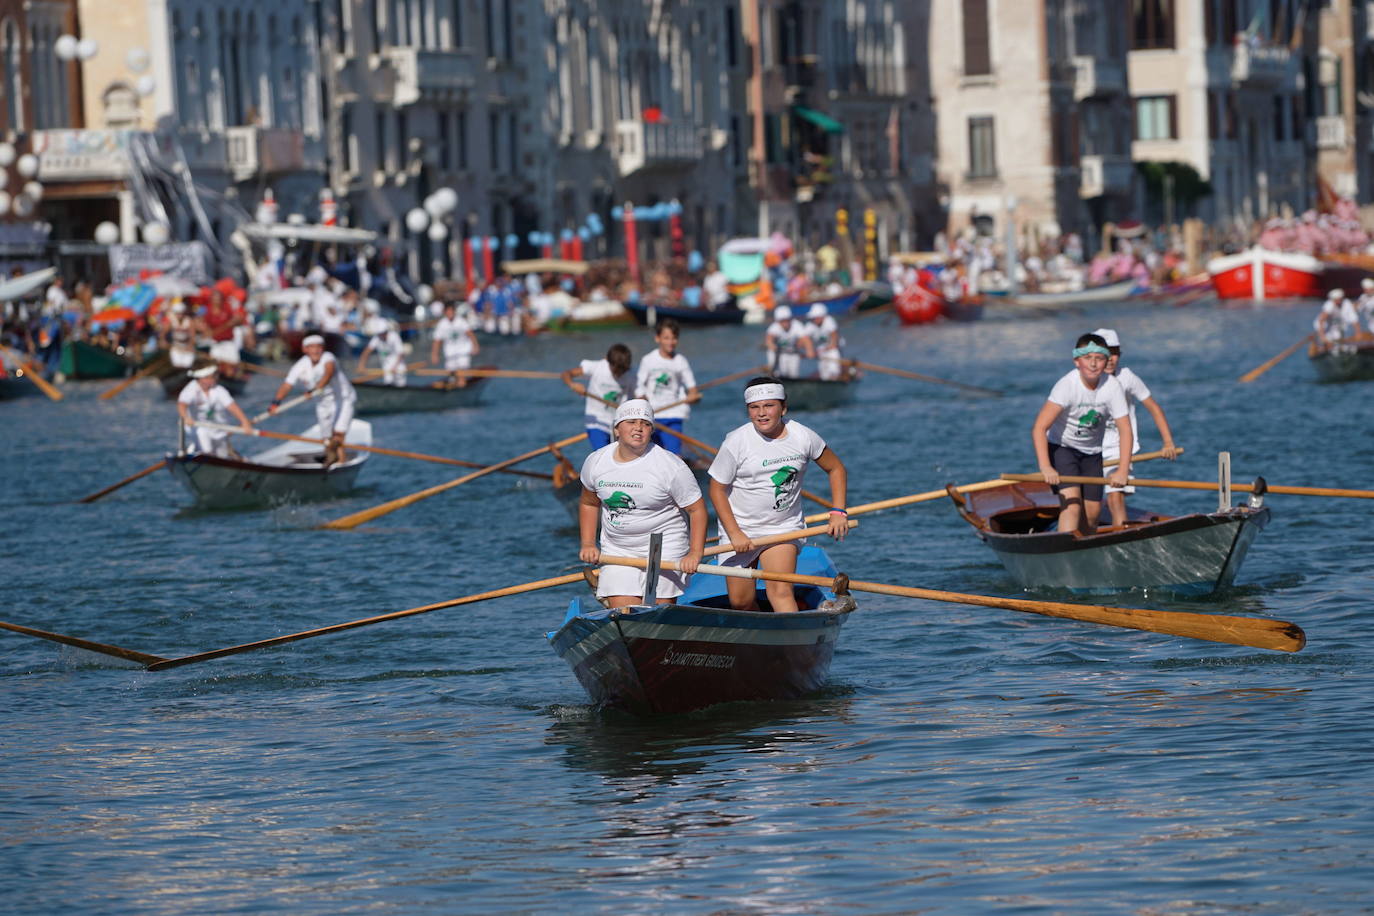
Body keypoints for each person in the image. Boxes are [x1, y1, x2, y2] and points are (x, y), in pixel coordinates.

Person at [708, 377, 848, 614]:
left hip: (783, 528)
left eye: (769, 406)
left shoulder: (803, 436)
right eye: (754, 407)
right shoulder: (736, 442)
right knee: (740, 603)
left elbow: (836, 469)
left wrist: (837, 511)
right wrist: (735, 533)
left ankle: (792, 643)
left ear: (783, 408)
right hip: (740, 529)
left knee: (780, 592)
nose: (762, 413)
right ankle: (756, 636)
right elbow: (716, 489)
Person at [578, 399, 707, 609]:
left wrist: (695, 553)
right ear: (617, 429)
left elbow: (697, 509)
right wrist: (588, 543)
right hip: (618, 549)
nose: (638, 428)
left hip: (662, 546)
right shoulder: (596, 461)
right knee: (626, 615)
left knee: (656, 613)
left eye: (645, 424)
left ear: (651, 431)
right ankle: (609, 594)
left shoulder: (670, 465)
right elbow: (589, 503)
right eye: (631, 422)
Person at [1031, 333, 1133, 536]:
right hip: (1063, 449)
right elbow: (1039, 428)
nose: (1094, 364)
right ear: (1076, 361)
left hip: (1093, 454)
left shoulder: (1112, 387)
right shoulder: (1066, 386)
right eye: (1088, 358)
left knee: (1094, 513)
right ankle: (1062, 553)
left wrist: (1122, 470)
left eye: (1099, 358)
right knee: (1073, 506)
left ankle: (1085, 551)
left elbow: (1125, 430)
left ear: (1107, 362)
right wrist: (1046, 467)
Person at [1090, 328, 1180, 528]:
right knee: (1091, 507)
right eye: (1105, 352)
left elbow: (1153, 407)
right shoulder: (1084, 379)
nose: (1111, 358)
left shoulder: (1127, 377)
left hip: (1119, 449)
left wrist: (1168, 442)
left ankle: (1119, 539)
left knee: (1115, 498)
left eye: (1114, 352)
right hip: (1089, 449)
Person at [270, 334, 357, 467]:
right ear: (305, 349)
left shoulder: (328, 358)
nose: (315, 350)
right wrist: (276, 403)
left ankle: (340, 463)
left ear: (323, 348)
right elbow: (287, 385)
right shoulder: (301, 365)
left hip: (343, 400)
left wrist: (315, 389)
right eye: (311, 347)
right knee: (326, 439)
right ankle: (331, 460)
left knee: (338, 435)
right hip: (322, 403)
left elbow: (328, 373)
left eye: (318, 347)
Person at [635, 318, 699, 455]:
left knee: (673, 456)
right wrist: (642, 399)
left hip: (673, 415)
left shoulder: (680, 361)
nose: (670, 342)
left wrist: (693, 396)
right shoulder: (648, 360)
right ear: (657, 338)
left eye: (674, 338)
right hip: (652, 417)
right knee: (650, 456)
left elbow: (693, 389)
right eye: (666, 338)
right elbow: (638, 386)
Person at [562, 342, 636, 449]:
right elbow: (566, 374)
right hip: (596, 421)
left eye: (622, 372)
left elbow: (638, 397)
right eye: (616, 371)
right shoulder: (597, 367)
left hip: (618, 424)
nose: (618, 375)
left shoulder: (631, 374)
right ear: (607, 361)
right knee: (602, 454)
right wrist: (573, 384)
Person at [177, 365, 253, 459]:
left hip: (219, 429)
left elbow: (232, 407)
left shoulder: (219, 390)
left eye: (213, 377)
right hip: (199, 427)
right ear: (200, 379)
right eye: (208, 378)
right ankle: (205, 458)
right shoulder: (191, 389)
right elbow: (182, 405)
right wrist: (186, 418)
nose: (212, 380)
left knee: (222, 456)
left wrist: (244, 422)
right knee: (206, 447)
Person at [430, 301, 480, 387]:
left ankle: (462, 385)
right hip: (450, 354)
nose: (450, 313)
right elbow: (437, 341)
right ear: (445, 312)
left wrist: (475, 346)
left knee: (461, 376)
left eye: (451, 311)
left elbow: (470, 334)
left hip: (462, 352)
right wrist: (434, 355)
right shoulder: (442, 324)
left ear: (454, 311)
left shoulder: (461, 321)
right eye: (448, 311)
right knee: (451, 377)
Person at [765, 305, 815, 378]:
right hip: (778, 353)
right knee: (780, 373)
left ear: (790, 319)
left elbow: (806, 339)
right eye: (782, 321)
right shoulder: (774, 327)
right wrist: (772, 346)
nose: (785, 323)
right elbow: (769, 340)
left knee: (794, 375)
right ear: (778, 321)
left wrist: (810, 351)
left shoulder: (797, 325)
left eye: (787, 320)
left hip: (793, 352)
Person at [358, 318, 408, 386]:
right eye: (379, 334)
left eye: (382, 333)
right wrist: (361, 365)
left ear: (386, 331)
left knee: (400, 385)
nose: (381, 335)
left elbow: (401, 353)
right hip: (386, 368)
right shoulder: (377, 338)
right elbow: (367, 351)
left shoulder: (394, 336)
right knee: (388, 385)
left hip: (398, 367)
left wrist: (395, 367)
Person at [805, 303, 844, 380]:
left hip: (834, 348)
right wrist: (809, 350)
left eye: (815, 317)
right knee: (824, 373)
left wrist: (827, 348)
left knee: (833, 369)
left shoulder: (829, 321)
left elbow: (834, 339)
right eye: (813, 318)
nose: (814, 319)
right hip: (821, 350)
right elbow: (804, 338)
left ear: (822, 316)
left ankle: (835, 379)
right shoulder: (810, 325)